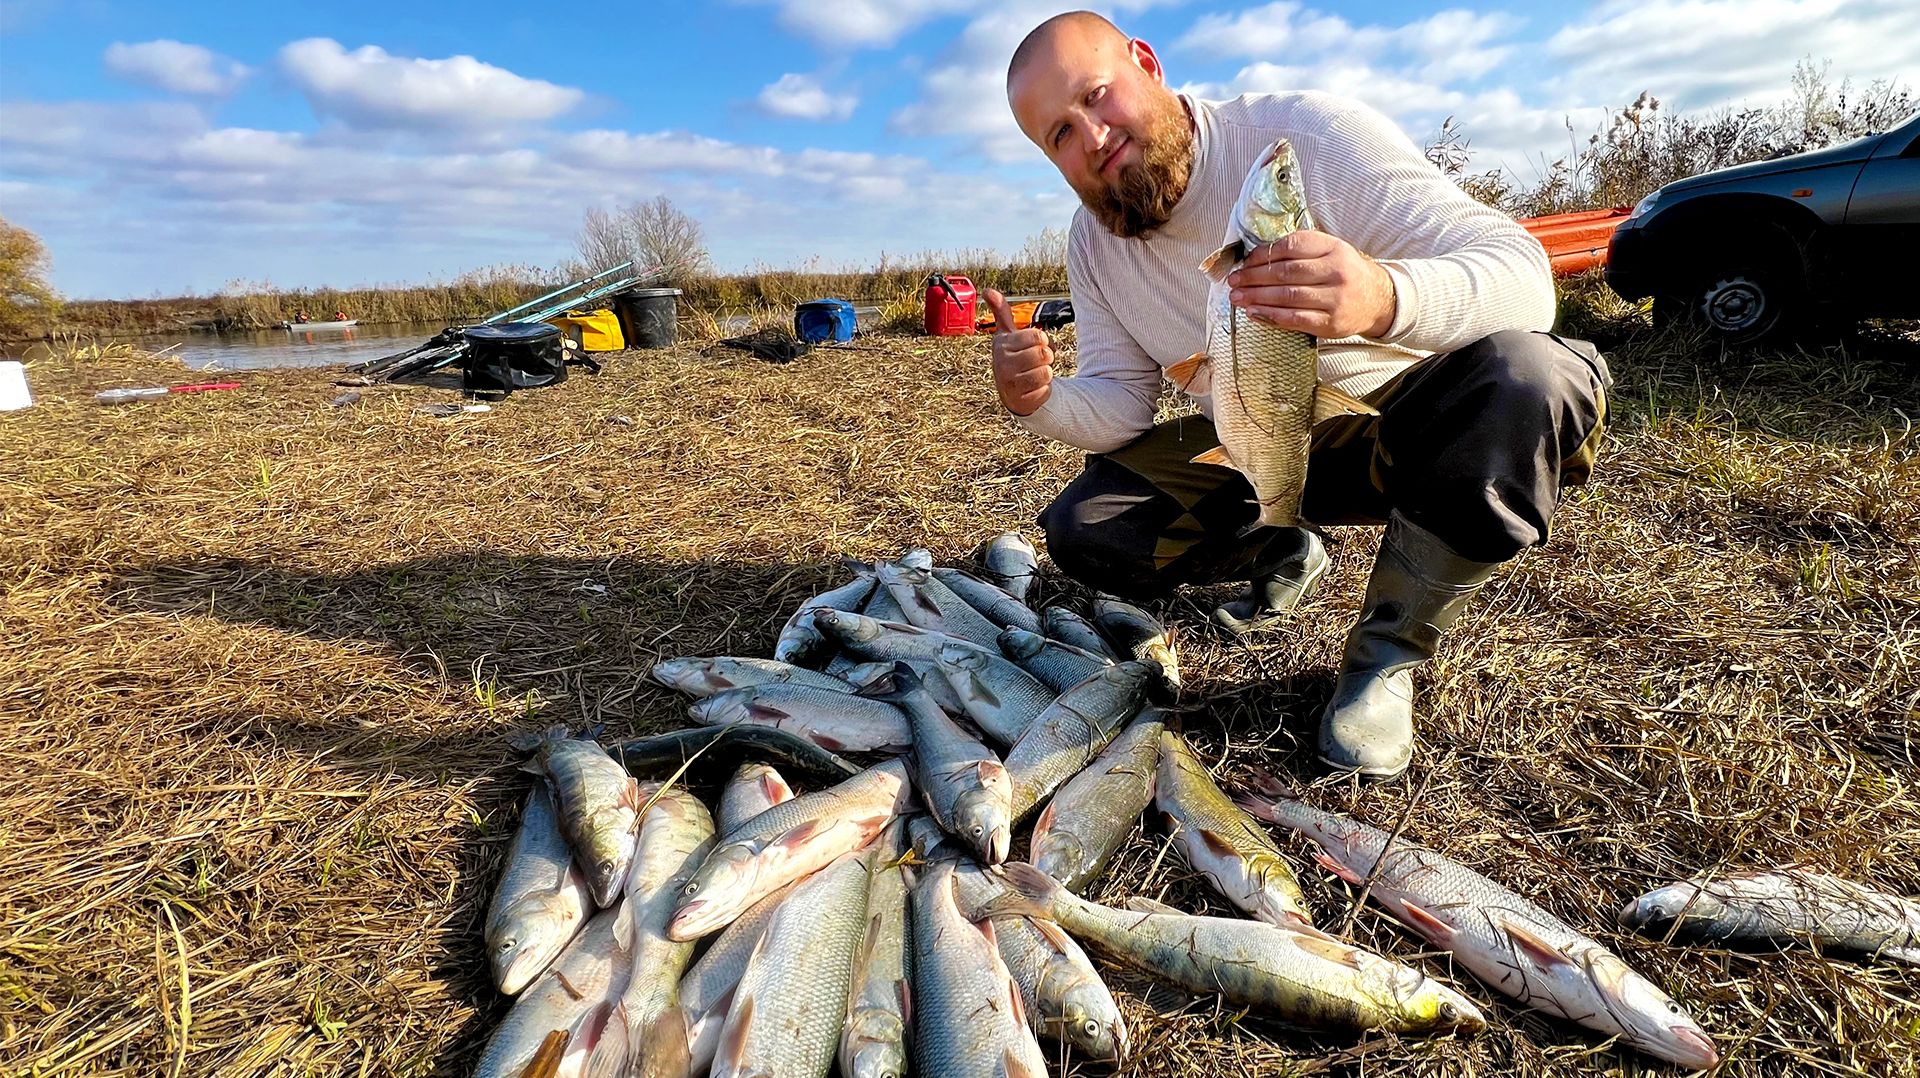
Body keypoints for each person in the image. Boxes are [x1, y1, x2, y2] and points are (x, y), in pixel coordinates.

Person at [985, 11, 1609, 779]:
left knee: (1532, 377)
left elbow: (1524, 278)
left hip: (1405, 429)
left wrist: (1384, 296)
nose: (1092, 136)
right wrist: (1041, 398)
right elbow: (1121, 403)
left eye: (1098, 95)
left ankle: (1386, 656)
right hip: (1254, 442)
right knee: (1090, 527)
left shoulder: (1305, 140)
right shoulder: (1095, 242)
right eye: (1060, 135)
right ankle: (1282, 543)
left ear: (1147, 62)